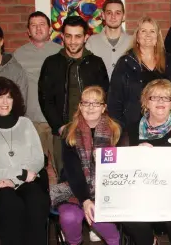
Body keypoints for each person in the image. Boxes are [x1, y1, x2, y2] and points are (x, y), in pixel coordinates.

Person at [0, 77, 49, 245]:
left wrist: (13, 180)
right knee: (10, 201)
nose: (5, 102)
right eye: (0, 97)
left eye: (9, 97)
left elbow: (38, 158)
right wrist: (17, 174)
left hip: (23, 181)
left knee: (37, 198)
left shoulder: (25, 124)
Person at [121, 79, 171, 245]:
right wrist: (133, 154)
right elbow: (119, 165)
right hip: (141, 194)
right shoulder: (131, 130)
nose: (160, 102)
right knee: (131, 218)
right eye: (154, 97)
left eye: (166, 98)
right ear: (146, 102)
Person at [38, 16, 109, 177]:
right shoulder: (51, 63)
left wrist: (98, 127)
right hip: (63, 132)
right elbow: (45, 99)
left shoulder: (96, 63)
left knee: (96, 177)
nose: (72, 41)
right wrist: (60, 127)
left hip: (93, 131)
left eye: (78, 36)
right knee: (65, 178)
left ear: (86, 37)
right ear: (62, 36)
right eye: (68, 36)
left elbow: (105, 96)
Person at [50, 86, 121, 245]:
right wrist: (86, 200)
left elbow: (122, 164)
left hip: (105, 189)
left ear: (103, 108)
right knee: (70, 217)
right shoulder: (69, 130)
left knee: (107, 229)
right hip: (73, 188)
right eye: (86, 103)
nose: (90, 107)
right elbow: (72, 170)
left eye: (96, 103)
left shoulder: (115, 130)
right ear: (80, 106)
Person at [14, 11, 61, 182]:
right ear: (28, 31)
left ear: (49, 29)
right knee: (35, 166)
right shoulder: (18, 55)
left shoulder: (61, 52)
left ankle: (60, 200)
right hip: (31, 120)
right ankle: (39, 199)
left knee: (59, 165)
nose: (38, 28)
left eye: (42, 24)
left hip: (57, 120)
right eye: (33, 25)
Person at [108, 16, 171, 133]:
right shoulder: (125, 62)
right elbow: (114, 101)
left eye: (152, 31)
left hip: (165, 126)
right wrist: (121, 129)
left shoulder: (169, 61)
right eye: (143, 31)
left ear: (157, 37)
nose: (148, 35)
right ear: (137, 37)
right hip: (132, 127)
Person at [86, 0, 133, 80]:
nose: (113, 17)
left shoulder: (132, 42)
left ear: (124, 16)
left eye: (118, 13)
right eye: (109, 13)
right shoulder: (92, 42)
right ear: (103, 15)